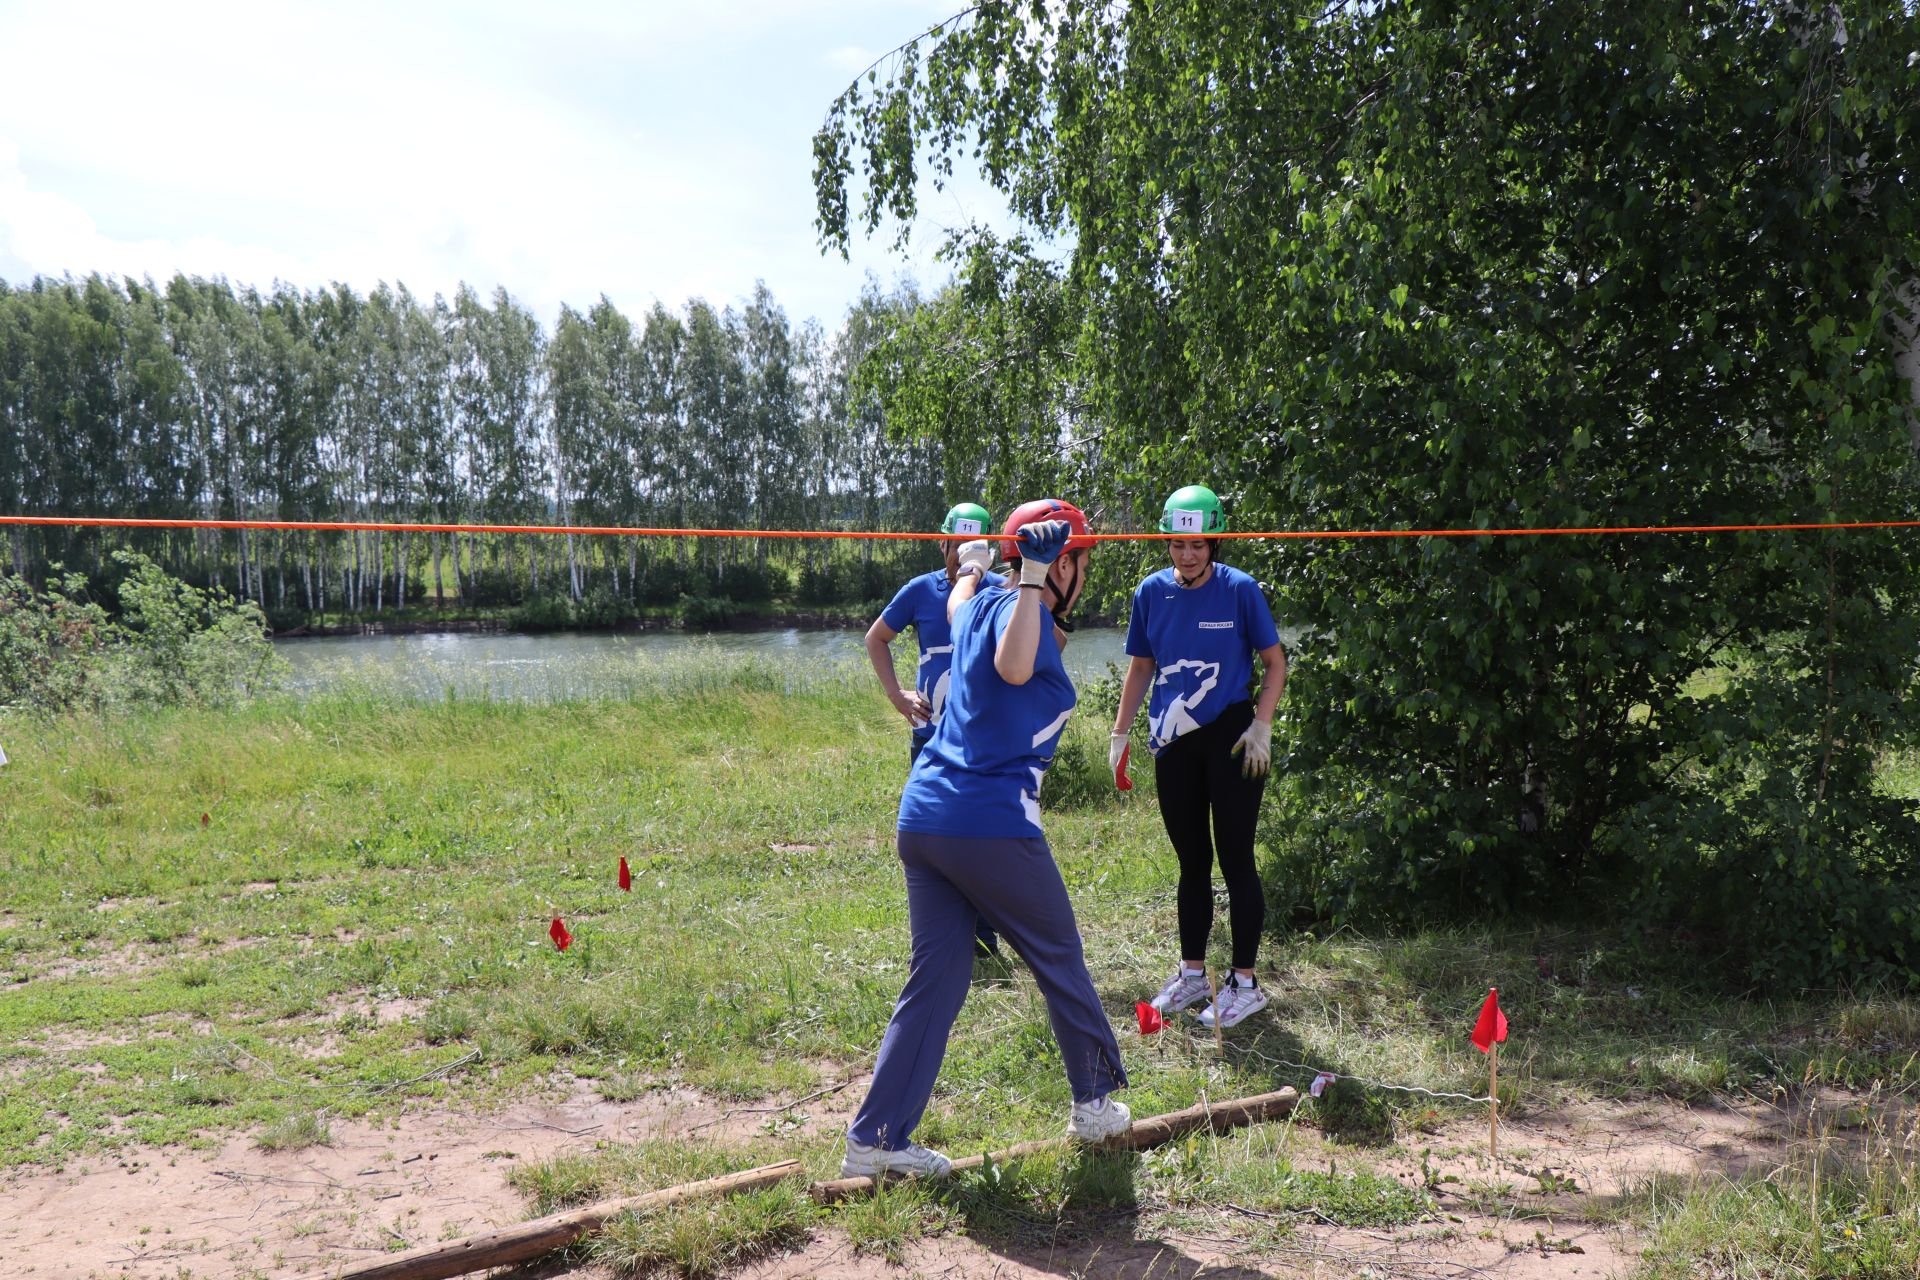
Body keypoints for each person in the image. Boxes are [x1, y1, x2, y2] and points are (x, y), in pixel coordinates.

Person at [843, 499, 1131, 1180]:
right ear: (1066, 563)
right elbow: (1010, 665)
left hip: (927, 819)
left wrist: (977, 568)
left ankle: (877, 1141)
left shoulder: (976, 604)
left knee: (938, 979)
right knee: (1058, 954)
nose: (1085, 572)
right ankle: (1094, 1104)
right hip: (987, 822)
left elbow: (958, 606)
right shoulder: (1018, 608)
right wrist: (1030, 571)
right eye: (1082, 560)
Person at [1109, 485, 1287, 1030]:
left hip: (1232, 737)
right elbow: (1141, 667)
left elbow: (1275, 663)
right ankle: (1192, 975)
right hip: (1174, 741)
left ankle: (1245, 983)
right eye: (1178, 543)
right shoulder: (1149, 593)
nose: (1188, 554)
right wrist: (1120, 735)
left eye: (1198, 544)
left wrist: (1262, 724)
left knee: (1236, 858)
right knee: (1192, 862)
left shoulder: (1240, 590)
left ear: (1213, 541)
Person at [865, 502, 1006, 957]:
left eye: (973, 548)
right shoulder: (920, 591)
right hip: (930, 738)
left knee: (984, 839)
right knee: (933, 837)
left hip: (984, 741)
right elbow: (876, 638)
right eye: (955, 546)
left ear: (988, 550)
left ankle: (984, 940)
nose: (961, 556)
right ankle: (940, 939)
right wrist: (897, 696)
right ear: (942, 542)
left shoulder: (1002, 592)